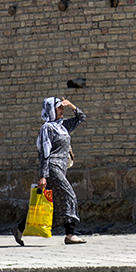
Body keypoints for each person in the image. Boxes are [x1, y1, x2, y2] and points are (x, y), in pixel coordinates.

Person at [21, 97, 86, 246]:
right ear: (51, 110)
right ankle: (70, 234)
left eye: (62, 108)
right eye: (59, 108)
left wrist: (71, 105)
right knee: (70, 196)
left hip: (61, 169)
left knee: (52, 202)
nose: (62, 110)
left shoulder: (62, 126)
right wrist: (43, 176)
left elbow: (81, 117)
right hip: (52, 168)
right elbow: (44, 153)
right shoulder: (47, 128)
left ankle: (19, 228)